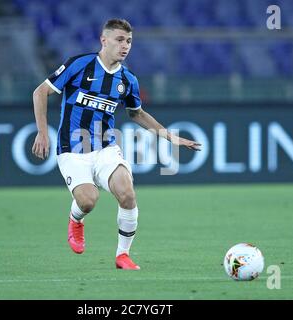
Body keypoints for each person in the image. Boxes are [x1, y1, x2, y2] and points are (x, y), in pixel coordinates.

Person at [31, 18, 200, 270]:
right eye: (120, 40)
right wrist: (42, 132)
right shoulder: (80, 65)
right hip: (72, 149)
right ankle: (75, 219)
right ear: (104, 40)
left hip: (106, 148)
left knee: (127, 194)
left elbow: (137, 113)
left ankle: (122, 255)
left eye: (129, 41)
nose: (125, 46)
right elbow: (40, 92)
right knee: (88, 200)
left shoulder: (127, 79)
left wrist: (169, 136)